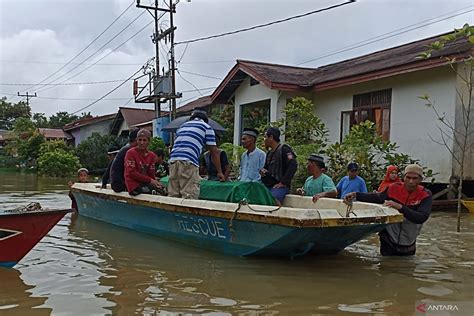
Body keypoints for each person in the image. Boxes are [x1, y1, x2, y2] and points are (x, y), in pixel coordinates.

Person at [344, 164, 432, 256]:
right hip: (389, 237)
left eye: (415, 178)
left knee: (406, 265)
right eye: (408, 177)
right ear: (403, 177)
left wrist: (400, 207)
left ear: (420, 180)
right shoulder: (394, 188)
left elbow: (421, 217)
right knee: (386, 264)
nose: (411, 181)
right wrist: (356, 195)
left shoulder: (425, 195)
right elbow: (377, 198)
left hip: (409, 238)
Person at [168, 109, 224, 199]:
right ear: (205, 120)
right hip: (188, 161)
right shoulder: (207, 127)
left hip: (173, 160)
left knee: (173, 195)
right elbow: (214, 152)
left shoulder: (182, 126)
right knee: (189, 196)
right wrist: (220, 172)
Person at [259, 127, 297, 205]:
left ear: (271, 137)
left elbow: (293, 164)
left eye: (266, 137)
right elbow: (266, 168)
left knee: (272, 199)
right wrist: (263, 173)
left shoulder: (285, 149)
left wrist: (283, 182)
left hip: (281, 186)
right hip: (269, 185)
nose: (264, 139)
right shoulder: (269, 153)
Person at [124, 129, 164, 196]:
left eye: (144, 140)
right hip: (133, 185)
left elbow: (151, 174)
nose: (142, 143)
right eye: (139, 140)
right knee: (153, 192)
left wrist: (155, 183)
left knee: (162, 190)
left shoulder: (151, 155)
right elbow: (131, 173)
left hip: (145, 183)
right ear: (137, 140)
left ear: (149, 142)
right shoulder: (130, 153)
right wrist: (150, 180)